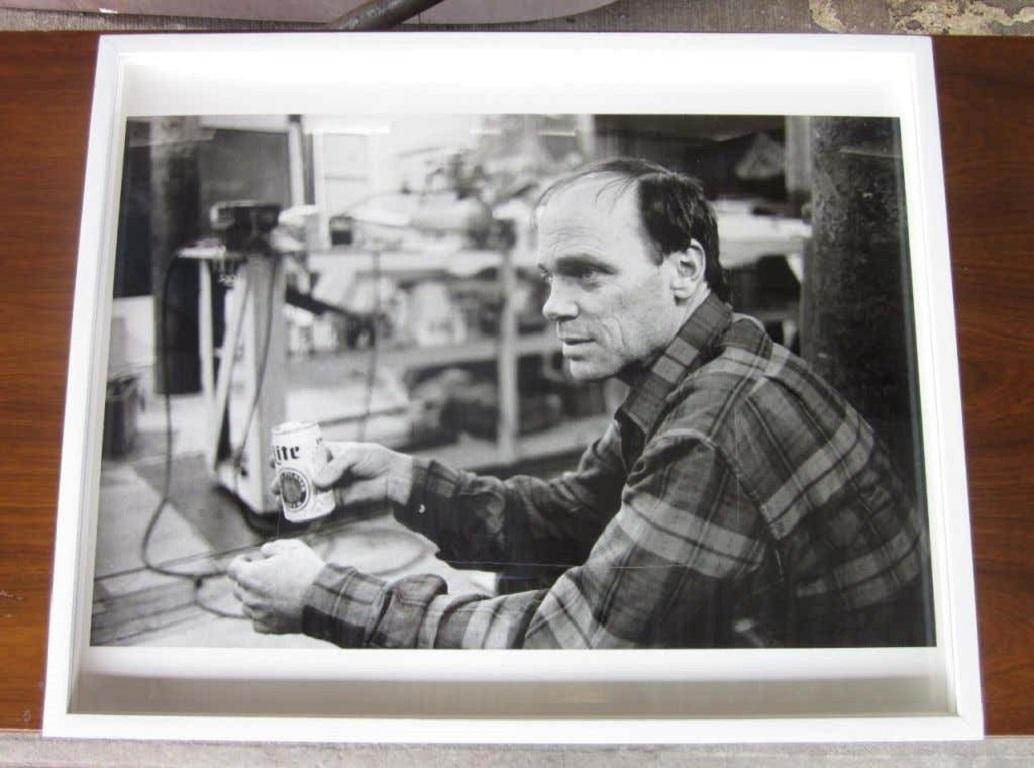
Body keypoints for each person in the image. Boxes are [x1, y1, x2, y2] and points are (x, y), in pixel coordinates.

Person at [227, 158, 929, 649]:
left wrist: (322, 597)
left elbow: (557, 650)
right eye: (549, 277)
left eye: (586, 275)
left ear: (684, 270)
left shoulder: (710, 430)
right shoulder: (709, 362)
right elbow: (568, 515)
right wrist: (400, 482)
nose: (552, 306)